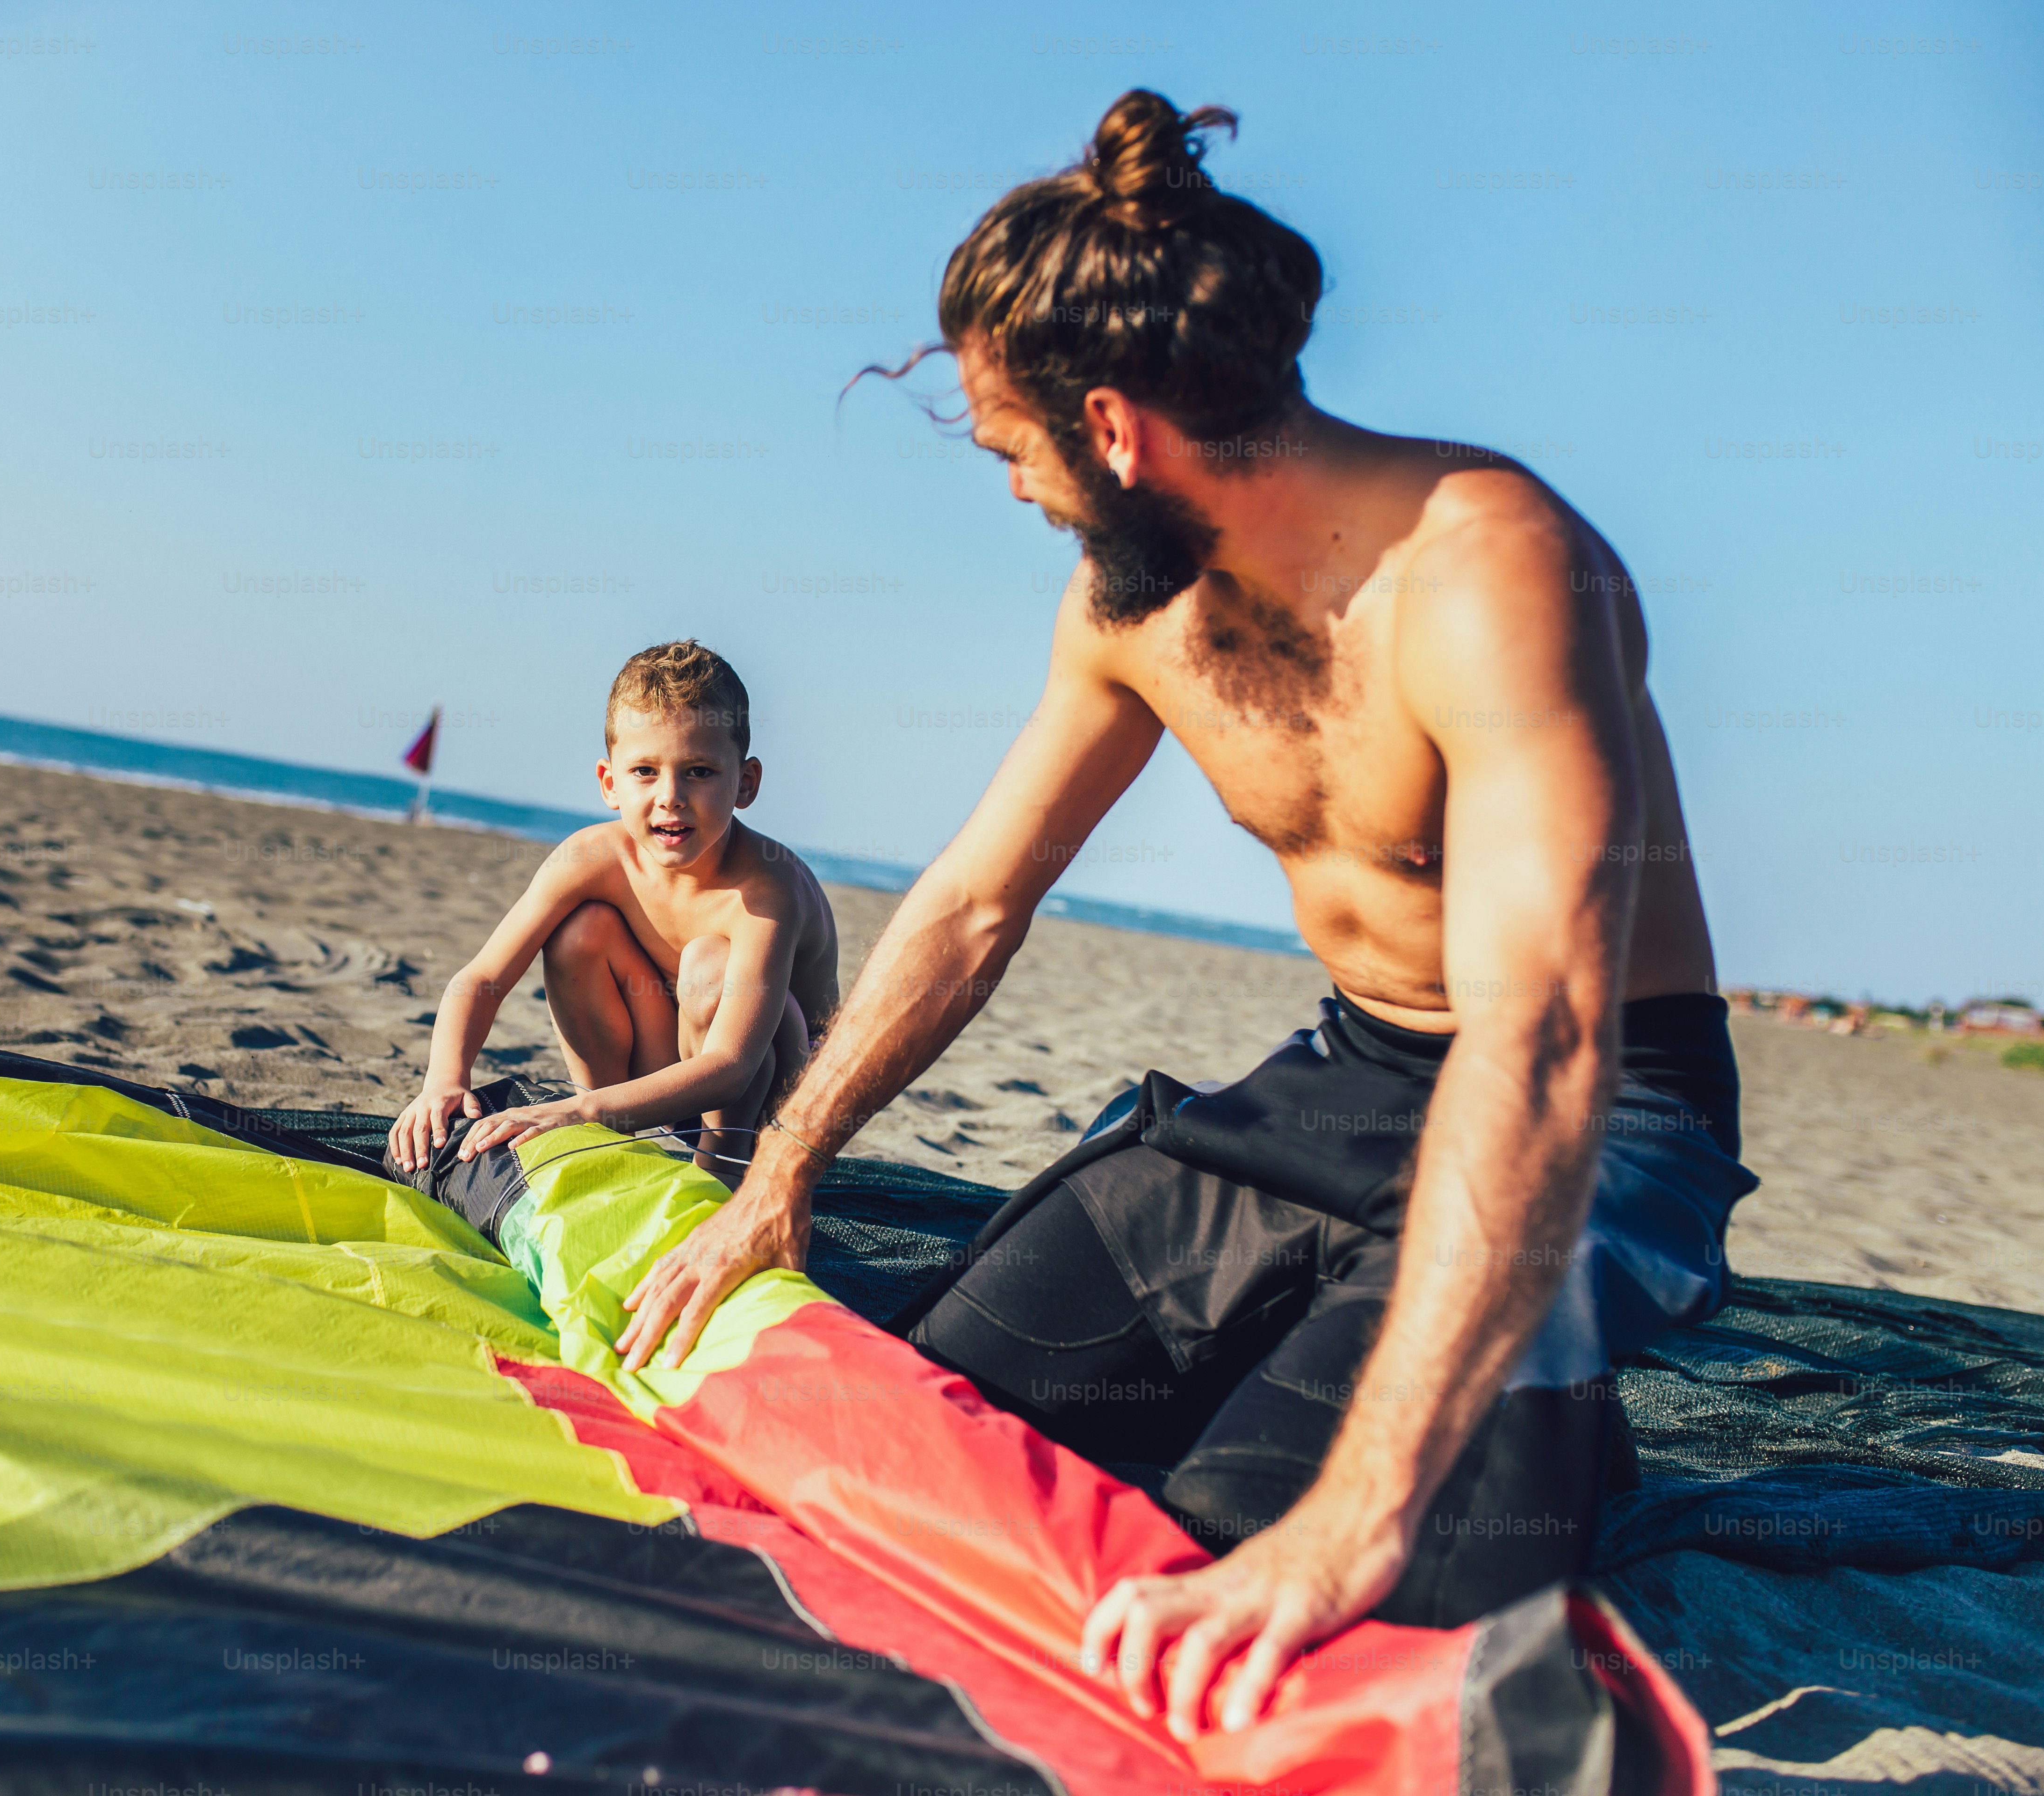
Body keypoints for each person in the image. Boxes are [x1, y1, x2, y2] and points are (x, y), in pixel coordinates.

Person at [610, 91, 1757, 1740]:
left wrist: (1356, 1519)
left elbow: (1550, 1034)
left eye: (1013, 450)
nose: (1014, 493)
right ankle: (1459, 1371)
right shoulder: (1128, 607)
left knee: (1239, 1573)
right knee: (949, 1410)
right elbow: (976, 901)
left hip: (1605, 1104)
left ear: (1113, 430)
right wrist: (777, 1181)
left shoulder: (1492, 571)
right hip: (1352, 1075)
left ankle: (1541, 1403)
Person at [390, 640, 839, 1177]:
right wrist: (444, 1080)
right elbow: (483, 976)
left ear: (746, 784)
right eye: (645, 771)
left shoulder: (769, 888)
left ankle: (720, 1169)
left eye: (699, 771)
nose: (670, 795)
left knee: (709, 966)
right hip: (663, 1078)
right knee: (581, 932)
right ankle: (607, 1139)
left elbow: (731, 1064)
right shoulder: (592, 857)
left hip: (778, 1104)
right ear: (610, 783)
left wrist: (576, 1110)